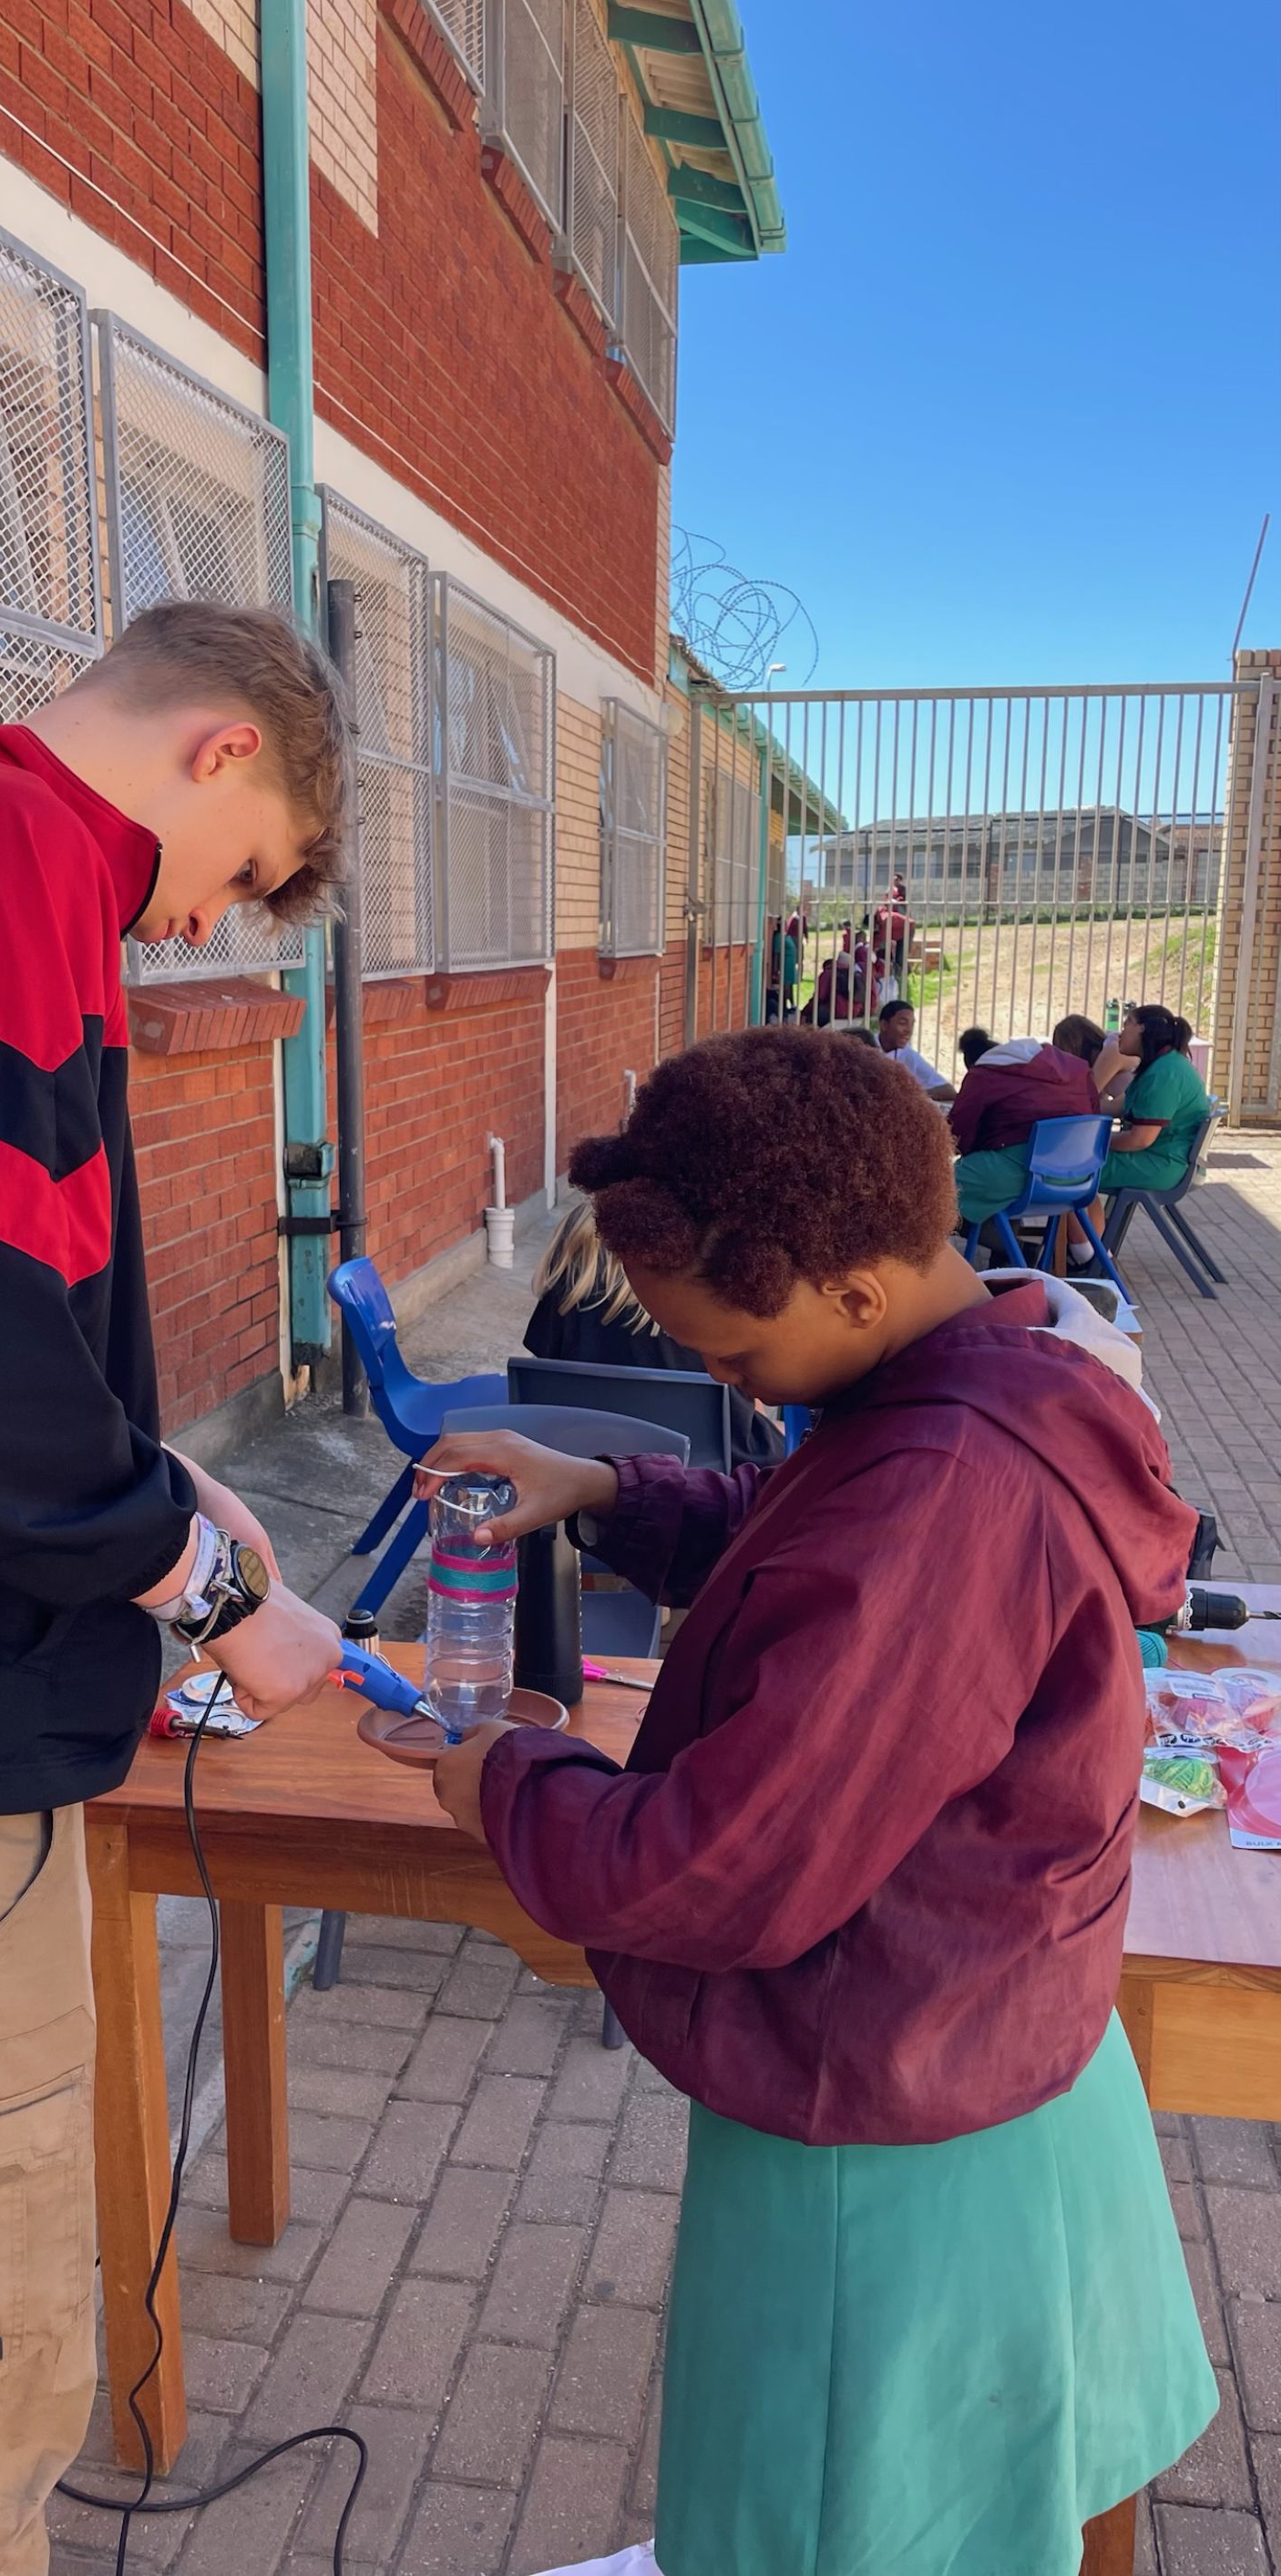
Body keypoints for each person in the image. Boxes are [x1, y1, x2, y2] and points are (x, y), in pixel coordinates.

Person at [420, 1028, 1214, 2576]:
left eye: (732, 1358)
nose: (727, 1384)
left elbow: (721, 1863)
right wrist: (606, 1486)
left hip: (891, 2119)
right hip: (976, 2042)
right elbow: (815, 1539)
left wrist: (503, 1775)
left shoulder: (944, 1493)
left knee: (839, 2527)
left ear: (850, 1293)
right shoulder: (977, 1374)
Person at [0, 601, 351, 2561]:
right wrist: (212, 1598)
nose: (203, 923)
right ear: (224, 747)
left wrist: (161, 1469)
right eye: (242, 871)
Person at [526, 1199, 784, 1467]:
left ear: (564, 1254)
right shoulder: (698, 1325)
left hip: (583, 1458)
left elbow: (540, 1392)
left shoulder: (560, 1307)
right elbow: (743, 1421)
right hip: (714, 1466)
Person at [1082, 1002, 1210, 1247]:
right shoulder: (1166, 1064)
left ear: (1142, 1029)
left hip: (1161, 1164)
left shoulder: (1163, 1074)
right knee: (1072, 1162)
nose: (1120, 1032)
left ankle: (1086, 1252)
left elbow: (1139, 1140)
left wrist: (1091, 1142)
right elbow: (1120, 1106)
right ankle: (1086, 1248)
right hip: (1168, 1160)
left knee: (1070, 1168)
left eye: (1126, 1024)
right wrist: (1076, 1107)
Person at [948, 1030, 1100, 1229]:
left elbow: (957, 1134)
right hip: (1080, 1176)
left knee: (935, 1183)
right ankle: (1078, 1247)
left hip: (1024, 1176)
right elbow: (1095, 1111)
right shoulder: (1076, 1069)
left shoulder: (984, 1074)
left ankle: (991, 1239)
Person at [876, 997, 957, 1103]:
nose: (909, 1030)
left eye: (912, 1025)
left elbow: (948, 1090)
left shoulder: (909, 1055)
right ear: (884, 1025)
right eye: (902, 1023)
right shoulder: (864, 1046)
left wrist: (912, 1095)